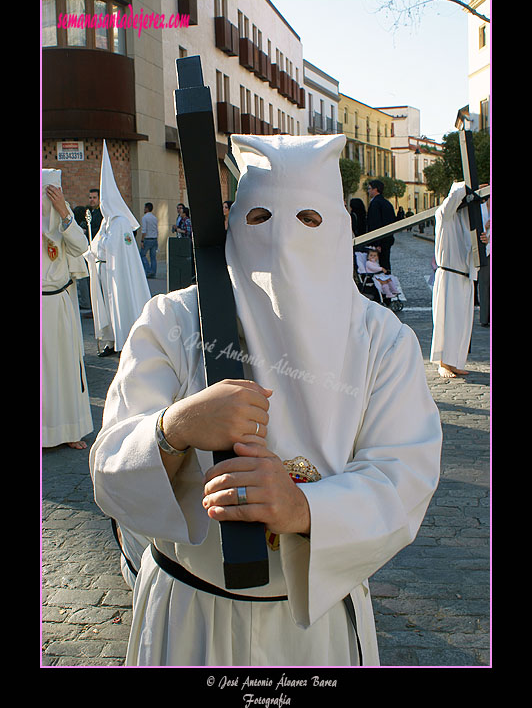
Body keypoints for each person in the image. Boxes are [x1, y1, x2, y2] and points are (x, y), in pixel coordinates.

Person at [90, 133, 442, 667]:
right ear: (234, 222)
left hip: (313, 628)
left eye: (309, 219)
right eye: (260, 219)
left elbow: (406, 474)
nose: (283, 241)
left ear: (337, 226)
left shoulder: (382, 340)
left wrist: (305, 508)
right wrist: (173, 428)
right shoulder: (173, 322)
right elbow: (111, 469)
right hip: (191, 619)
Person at [84, 141, 151, 358]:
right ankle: (112, 340)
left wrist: (103, 249)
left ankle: (124, 340)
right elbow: (97, 245)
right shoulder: (107, 222)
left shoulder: (121, 222)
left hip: (118, 273)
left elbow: (119, 250)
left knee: (120, 305)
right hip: (105, 272)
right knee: (109, 309)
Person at [42, 169, 93, 450]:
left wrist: (64, 212)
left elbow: (81, 247)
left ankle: (71, 429)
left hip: (60, 305)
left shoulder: (64, 224)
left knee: (66, 369)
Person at [430, 181, 477, 378]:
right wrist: (470, 185)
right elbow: (456, 193)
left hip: (465, 277)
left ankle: (456, 361)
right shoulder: (444, 216)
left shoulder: (467, 222)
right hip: (449, 275)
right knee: (446, 320)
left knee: (462, 324)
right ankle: (442, 363)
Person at [366, 180, 396, 271]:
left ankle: (384, 283)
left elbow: (375, 224)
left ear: (375, 189)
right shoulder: (387, 203)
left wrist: (377, 243)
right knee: (386, 262)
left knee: (380, 265)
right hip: (387, 239)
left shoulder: (375, 203)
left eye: (369, 188)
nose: (368, 191)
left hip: (380, 241)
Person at [478, 198, 490, 327]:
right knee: (484, 285)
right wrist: (484, 228)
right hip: (484, 252)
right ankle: (484, 318)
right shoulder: (480, 209)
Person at [140, 202, 158, 278]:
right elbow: (156, 229)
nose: (144, 209)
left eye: (144, 208)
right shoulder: (154, 218)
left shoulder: (144, 218)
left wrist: (142, 240)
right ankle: (153, 272)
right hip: (154, 239)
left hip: (147, 239)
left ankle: (148, 270)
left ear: (147, 208)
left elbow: (144, 231)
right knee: (153, 257)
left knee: (142, 255)